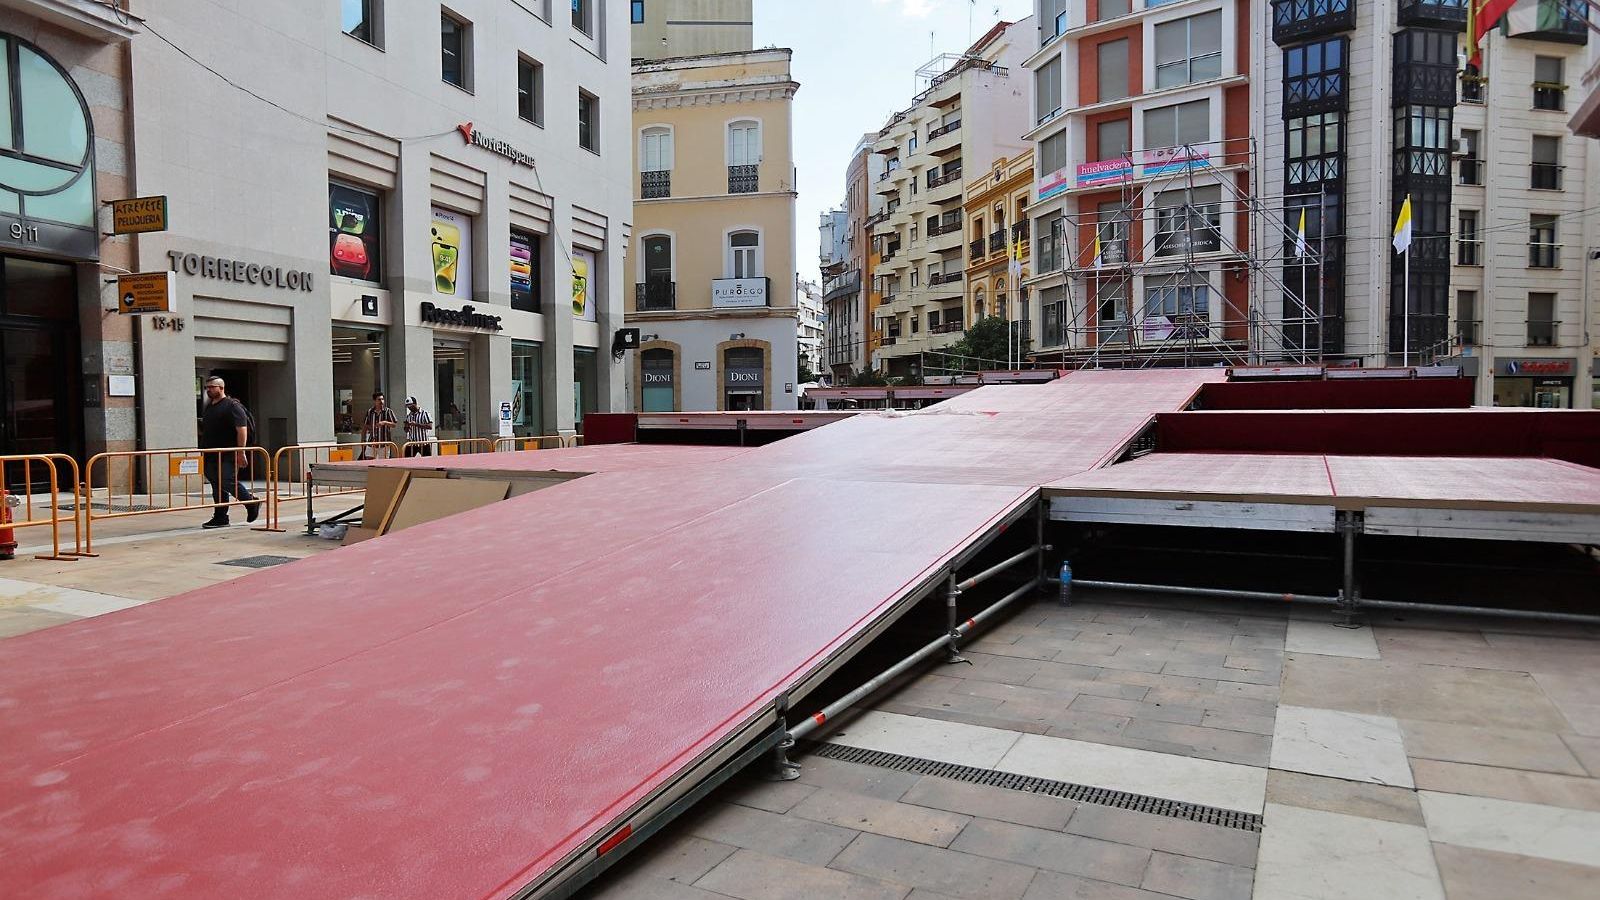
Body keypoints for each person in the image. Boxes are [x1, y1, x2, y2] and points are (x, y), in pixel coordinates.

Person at [198, 376, 260, 528]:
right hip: (211, 452)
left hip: (228, 452)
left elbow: (242, 429)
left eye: (212, 387)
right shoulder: (209, 406)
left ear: (221, 388)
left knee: (227, 480)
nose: (208, 390)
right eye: (207, 387)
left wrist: (241, 452)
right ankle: (220, 517)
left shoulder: (232, 405)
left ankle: (251, 502)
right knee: (216, 485)